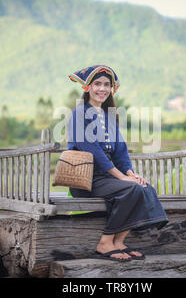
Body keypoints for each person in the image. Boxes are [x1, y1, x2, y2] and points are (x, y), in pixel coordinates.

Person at [66, 65, 168, 262]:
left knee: (143, 187)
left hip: (108, 179)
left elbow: (120, 151)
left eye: (106, 85)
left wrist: (130, 173)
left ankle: (119, 241)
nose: (102, 89)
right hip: (86, 179)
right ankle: (105, 242)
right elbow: (92, 150)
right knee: (131, 189)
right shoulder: (79, 114)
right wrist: (121, 177)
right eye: (97, 84)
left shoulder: (109, 116)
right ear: (87, 87)